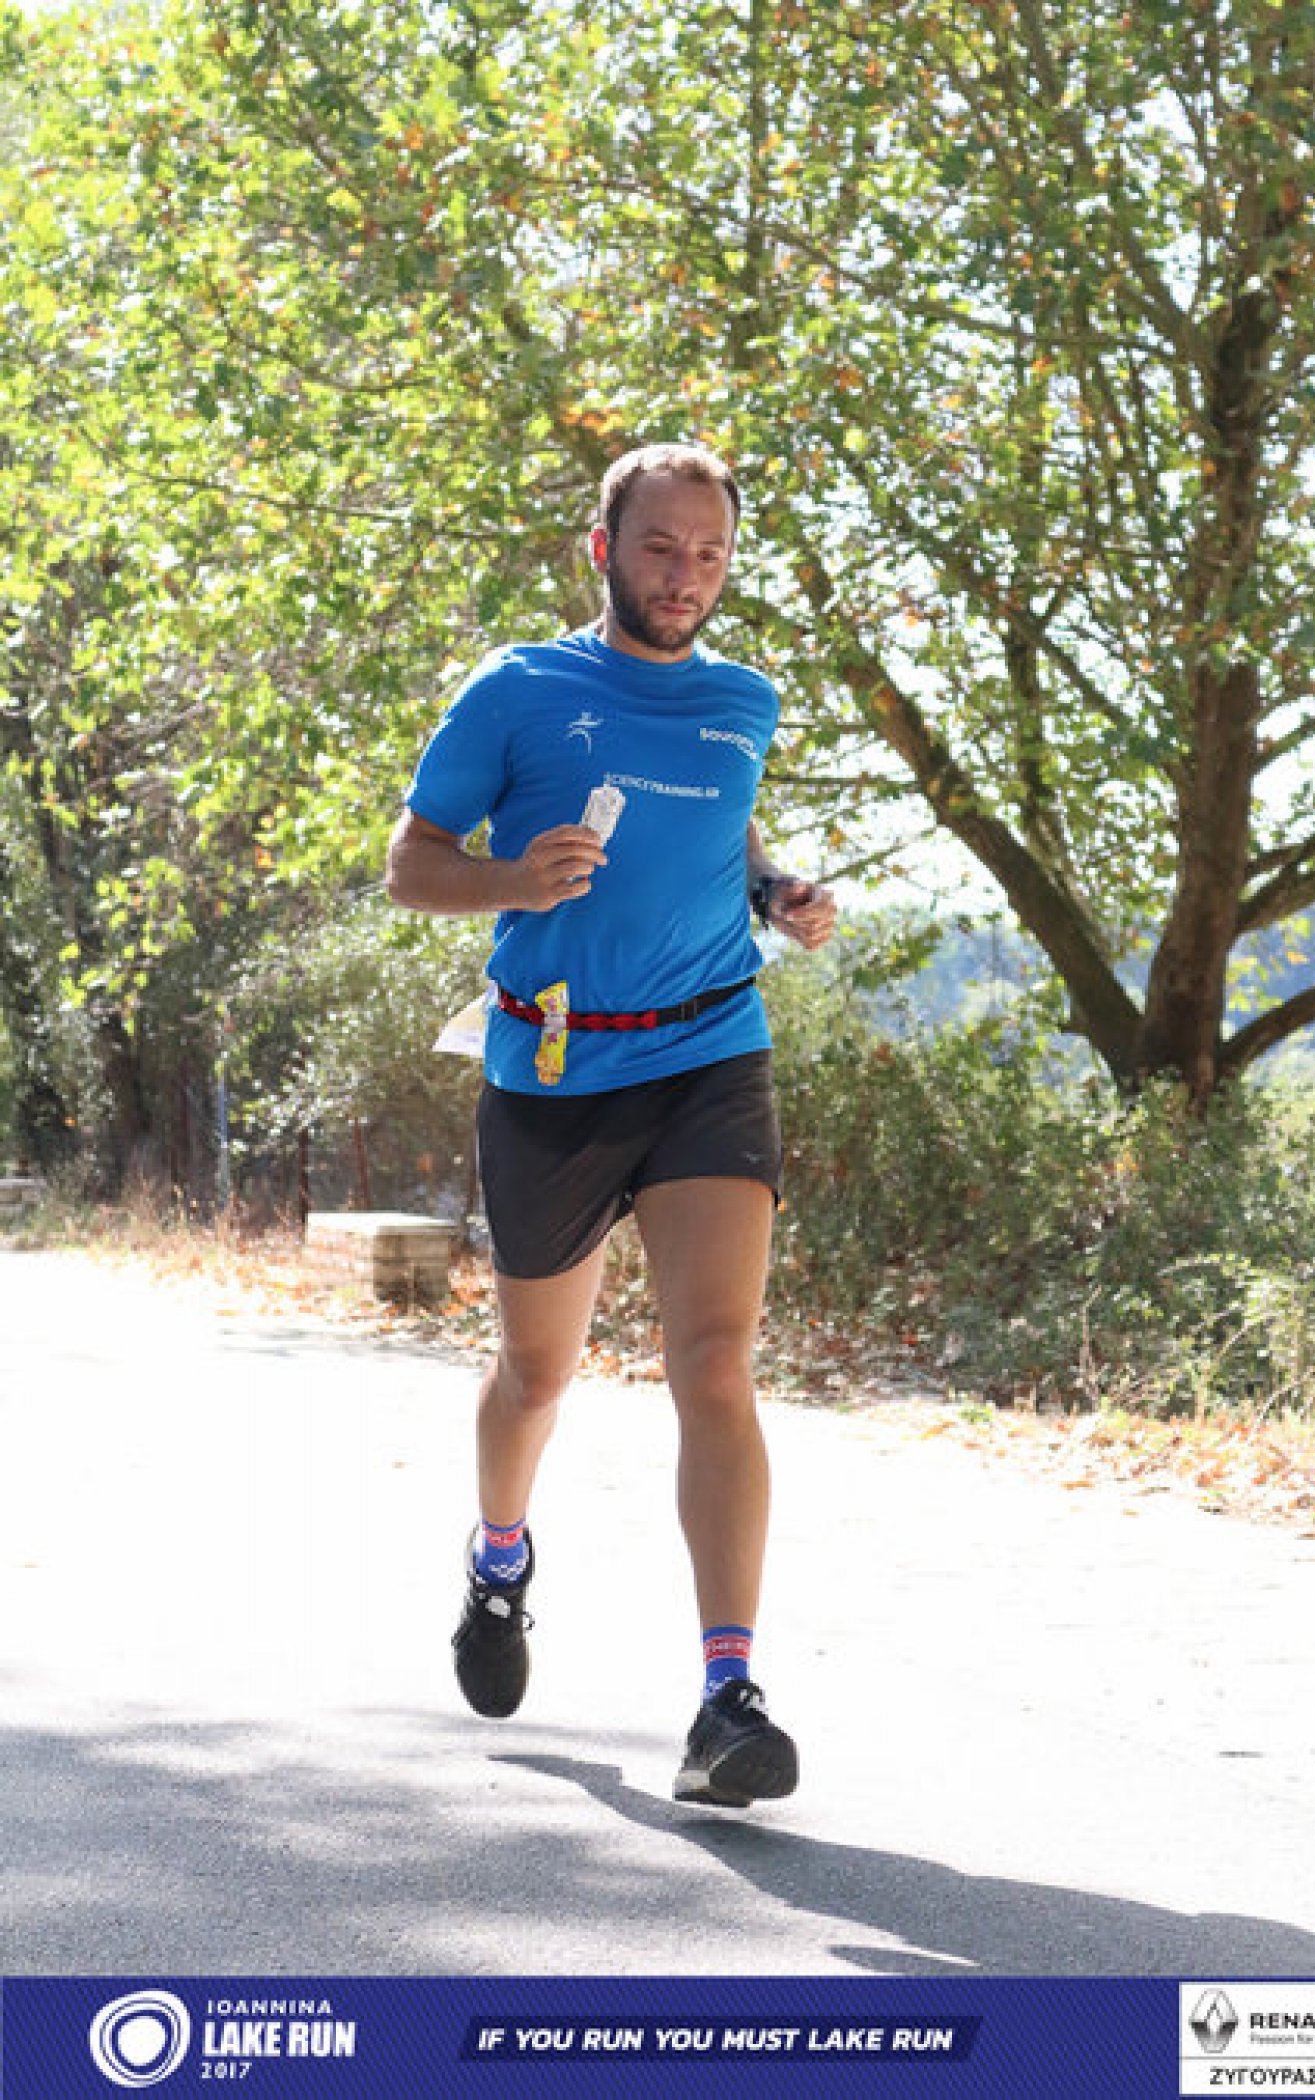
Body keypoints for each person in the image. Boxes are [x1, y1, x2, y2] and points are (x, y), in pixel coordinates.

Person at [386, 440, 836, 1807]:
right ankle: (499, 1560)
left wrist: (775, 892)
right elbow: (412, 867)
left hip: (711, 1048)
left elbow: (723, 837)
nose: (686, 574)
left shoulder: (744, 702)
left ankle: (727, 1699)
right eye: (660, 546)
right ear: (603, 547)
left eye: (710, 552)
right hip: (555, 1063)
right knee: (538, 1377)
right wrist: (514, 880)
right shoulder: (518, 689)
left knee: (715, 1363)